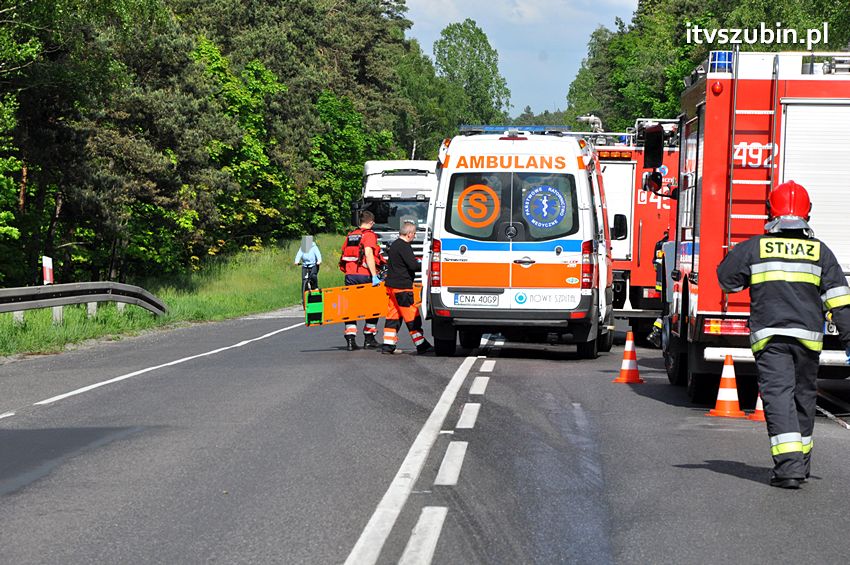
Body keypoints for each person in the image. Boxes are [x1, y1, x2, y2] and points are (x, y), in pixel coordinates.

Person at [717, 181, 850, 489]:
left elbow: (727, 281)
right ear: (808, 213)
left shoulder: (756, 246)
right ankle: (799, 464)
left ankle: (788, 467)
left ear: (771, 211)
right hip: (808, 340)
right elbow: (840, 302)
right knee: (803, 398)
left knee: (778, 398)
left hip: (771, 339)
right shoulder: (821, 252)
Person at [381, 221, 432, 355]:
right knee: (412, 316)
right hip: (402, 287)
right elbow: (413, 266)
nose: (414, 236)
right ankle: (421, 344)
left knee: (393, 316)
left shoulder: (394, 245)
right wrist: (423, 263)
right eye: (414, 234)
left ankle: (388, 345)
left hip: (391, 286)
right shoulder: (405, 247)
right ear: (409, 234)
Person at [339, 210, 383, 351]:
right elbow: (369, 254)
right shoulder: (369, 235)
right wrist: (374, 275)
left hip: (350, 275)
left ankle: (350, 339)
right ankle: (369, 339)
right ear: (371, 222)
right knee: (372, 306)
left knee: (351, 307)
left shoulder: (351, 235)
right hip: (365, 275)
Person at [647, 230, 669, 348]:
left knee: (665, 310)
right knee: (667, 311)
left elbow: (655, 265)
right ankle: (657, 333)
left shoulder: (659, 244)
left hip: (662, 284)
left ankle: (656, 332)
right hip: (669, 284)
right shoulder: (670, 244)